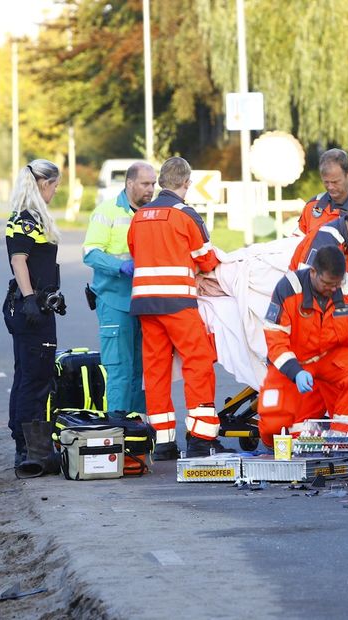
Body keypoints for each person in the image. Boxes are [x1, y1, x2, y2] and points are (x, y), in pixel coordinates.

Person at [128, 156, 227, 458]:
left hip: (146, 304)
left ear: (160, 183)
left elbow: (134, 252)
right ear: (187, 183)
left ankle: (163, 442)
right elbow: (207, 261)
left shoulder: (140, 215)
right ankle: (200, 438)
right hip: (178, 304)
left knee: (155, 371)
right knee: (197, 364)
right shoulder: (186, 215)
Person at [258, 246, 348, 447]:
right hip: (295, 362)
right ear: (313, 272)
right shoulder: (288, 289)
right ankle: (301, 430)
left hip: (331, 357)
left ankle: (344, 441)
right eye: (327, 284)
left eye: (336, 284)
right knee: (275, 429)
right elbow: (275, 339)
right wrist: (295, 371)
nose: (332, 289)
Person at [82, 161, 153, 426]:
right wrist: (120, 266)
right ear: (130, 183)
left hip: (145, 302)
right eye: (145, 184)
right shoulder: (107, 211)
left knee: (142, 372)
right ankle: (117, 430)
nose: (151, 189)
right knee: (120, 369)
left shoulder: (152, 212)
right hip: (115, 300)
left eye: (153, 184)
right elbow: (90, 253)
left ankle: (138, 432)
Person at [3, 159, 64, 467]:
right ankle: (32, 451)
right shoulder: (27, 219)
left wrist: (53, 294)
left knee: (26, 375)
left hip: (38, 304)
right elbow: (19, 260)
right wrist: (30, 299)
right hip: (31, 310)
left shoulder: (31, 216)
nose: (56, 191)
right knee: (36, 379)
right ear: (43, 185)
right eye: (55, 185)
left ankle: (25, 446)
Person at [296, 148, 348, 236]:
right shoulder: (312, 205)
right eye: (326, 182)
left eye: (335, 182)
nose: (330, 187)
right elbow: (297, 240)